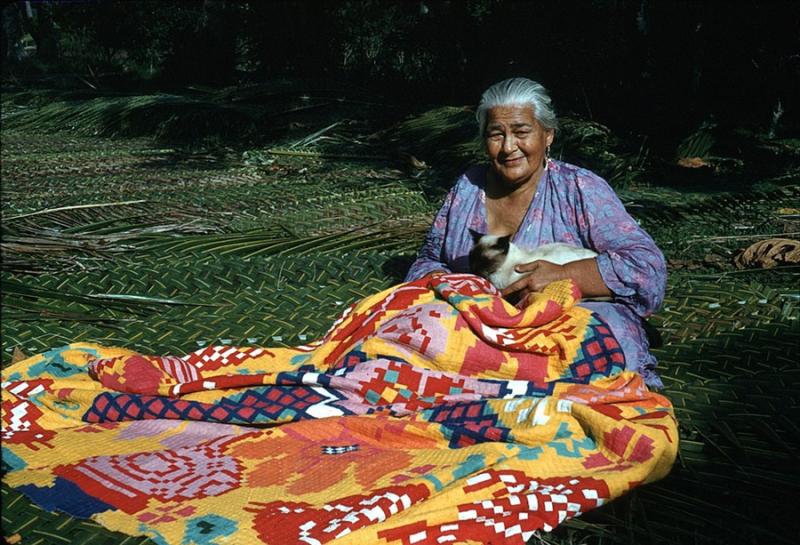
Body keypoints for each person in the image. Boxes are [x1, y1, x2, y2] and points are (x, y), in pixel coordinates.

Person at [405, 77, 667, 387]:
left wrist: (564, 275)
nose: (508, 147)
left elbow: (647, 269)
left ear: (548, 135)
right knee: (412, 332)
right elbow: (428, 260)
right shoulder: (467, 188)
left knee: (598, 341)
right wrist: (466, 294)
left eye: (521, 132)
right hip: (479, 324)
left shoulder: (580, 188)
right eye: (495, 134)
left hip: (562, 326)